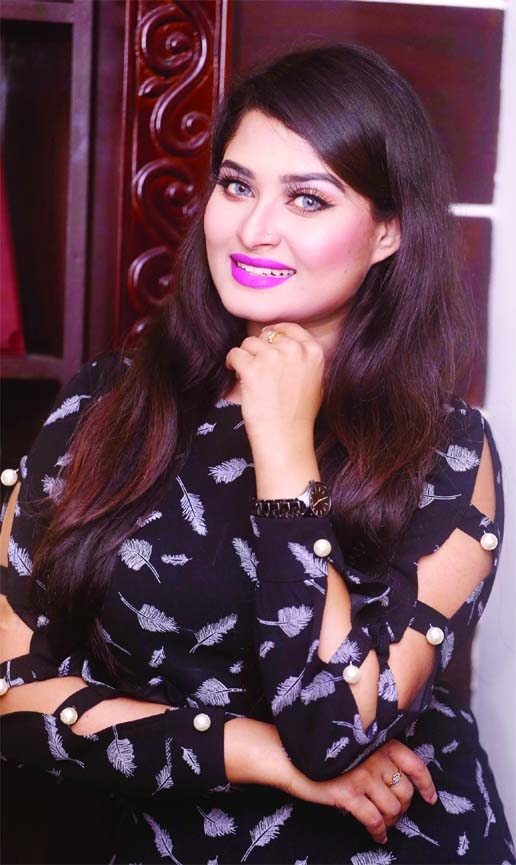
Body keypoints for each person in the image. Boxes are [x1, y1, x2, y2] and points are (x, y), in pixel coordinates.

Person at [0, 43, 514, 865]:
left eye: (308, 198)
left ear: (388, 231)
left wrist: (283, 448)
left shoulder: (445, 446)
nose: (253, 228)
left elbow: (334, 729)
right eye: (237, 185)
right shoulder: (105, 406)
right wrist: (260, 753)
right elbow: (14, 699)